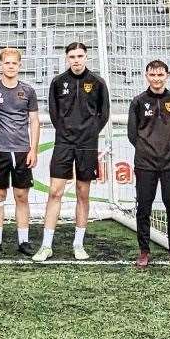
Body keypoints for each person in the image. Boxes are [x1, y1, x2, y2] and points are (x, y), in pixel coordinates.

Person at [36, 41, 110, 263]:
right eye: (72, 57)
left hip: (87, 145)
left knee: (82, 193)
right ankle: (46, 245)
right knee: (55, 192)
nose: (76, 60)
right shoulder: (59, 82)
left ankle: (78, 244)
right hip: (64, 143)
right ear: (67, 59)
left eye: (80, 56)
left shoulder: (97, 82)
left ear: (86, 57)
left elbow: (103, 113)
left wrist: (89, 132)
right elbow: (54, 112)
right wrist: (66, 131)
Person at [128, 60, 170, 268]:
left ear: (167, 75)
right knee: (143, 208)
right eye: (152, 75)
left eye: (160, 75)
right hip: (145, 163)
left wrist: (169, 150)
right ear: (146, 76)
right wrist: (148, 150)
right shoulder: (138, 101)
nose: (156, 79)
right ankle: (144, 251)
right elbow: (132, 133)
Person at [0, 47, 41, 257]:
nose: (10, 66)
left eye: (14, 63)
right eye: (6, 62)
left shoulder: (28, 91)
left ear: (20, 65)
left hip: (21, 151)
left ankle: (24, 241)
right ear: (0, 65)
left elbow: (34, 121)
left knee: (21, 196)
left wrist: (33, 149)